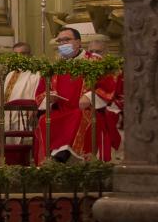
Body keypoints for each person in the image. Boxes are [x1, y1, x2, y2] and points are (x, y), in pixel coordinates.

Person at [34, 26, 110, 163]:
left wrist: (90, 96)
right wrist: (49, 98)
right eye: (60, 41)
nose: (63, 44)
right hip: (61, 110)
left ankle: (70, 156)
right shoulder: (54, 67)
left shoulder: (93, 61)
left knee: (78, 115)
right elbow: (40, 93)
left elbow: (108, 84)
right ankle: (51, 159)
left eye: (67, 40)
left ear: (79, 42)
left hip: (86, 110)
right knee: (44, 119)